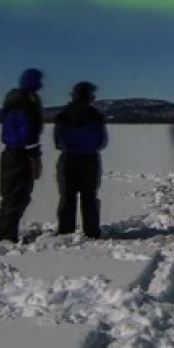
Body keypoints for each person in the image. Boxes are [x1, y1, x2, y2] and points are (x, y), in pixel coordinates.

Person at [0, 67, 45, 242]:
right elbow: (27, 130)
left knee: (11, 195)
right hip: (20, 154)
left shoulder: (14, 98)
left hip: (12, 153)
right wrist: (34, 154)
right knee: (17, 195)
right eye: (39, 81)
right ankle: (7, 235)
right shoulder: (25, 102)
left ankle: (6, 232)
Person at [54, 80, 108, 237]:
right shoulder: (96, 115)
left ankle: (65, 231)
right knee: (89, 196)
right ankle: (91, 231)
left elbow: (58, 141)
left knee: (67, 196)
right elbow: (102, 141)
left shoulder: (63, 114)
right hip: (90, 160)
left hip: (68, 159)